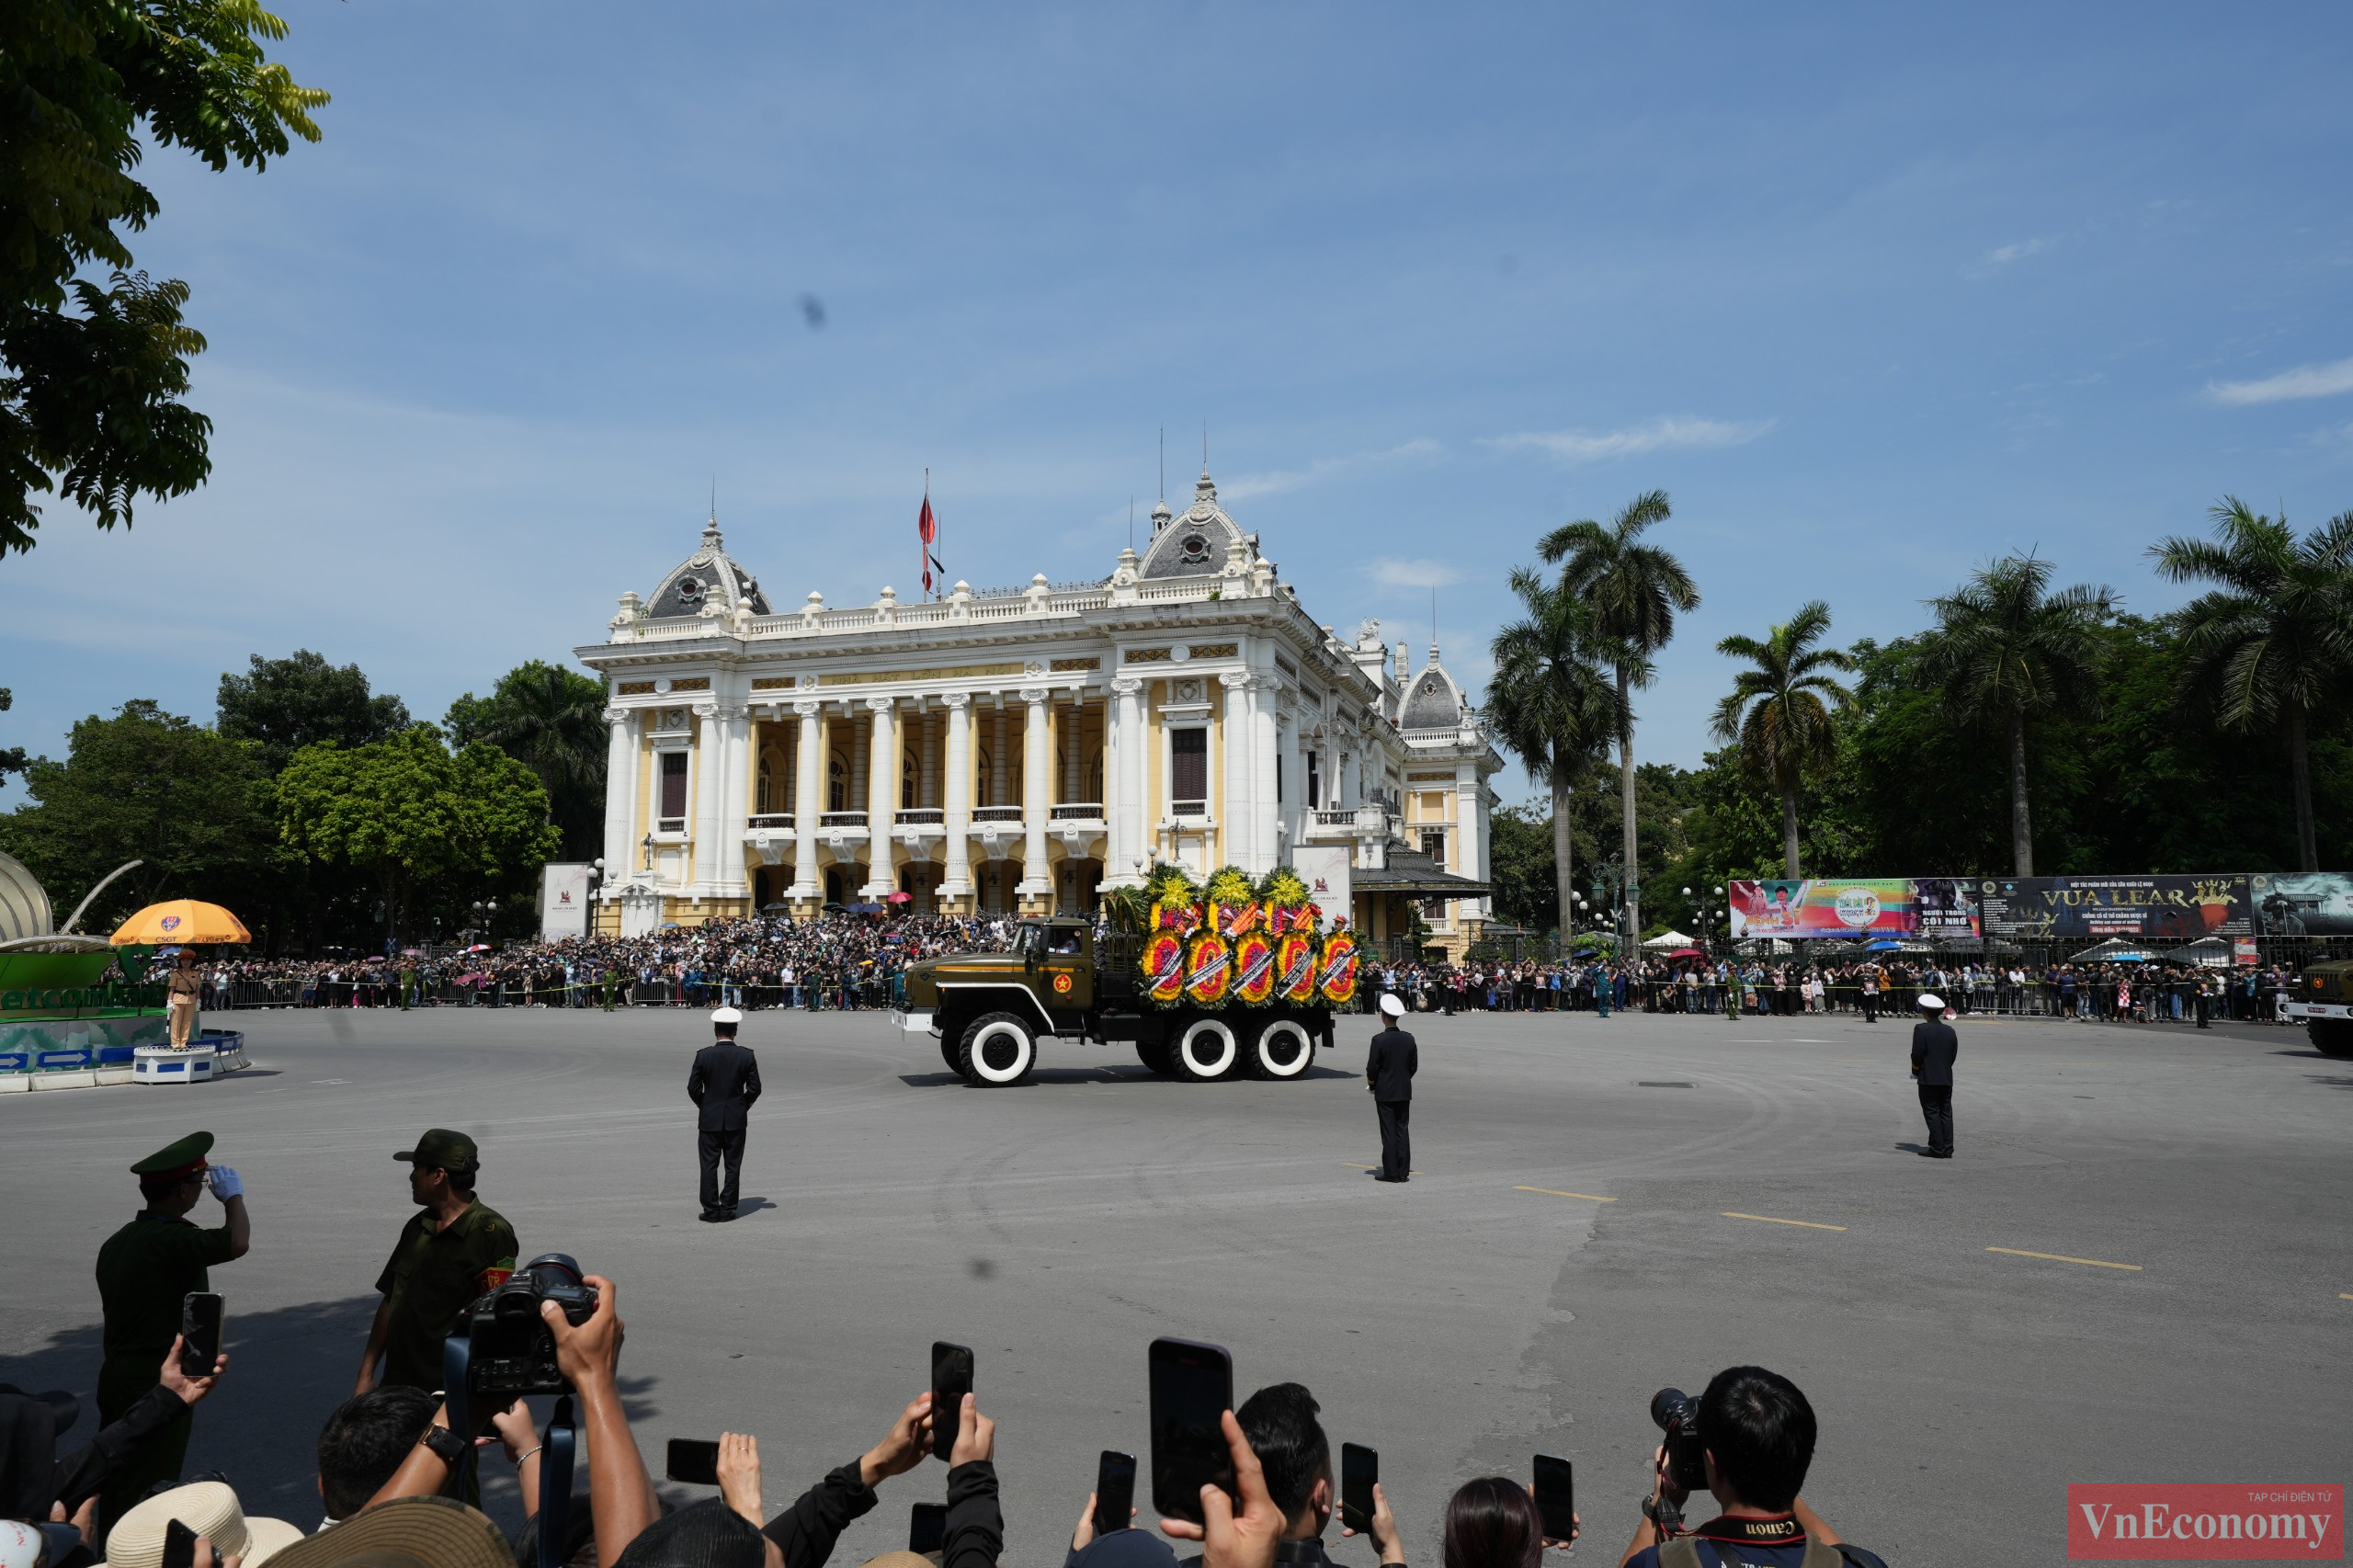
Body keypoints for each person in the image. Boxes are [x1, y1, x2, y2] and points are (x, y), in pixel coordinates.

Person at [92, 1131, 250, 1537]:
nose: (200, 1191)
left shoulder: (119, 1240)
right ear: (181, 1191)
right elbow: (236, 1241)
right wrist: (233, 1197)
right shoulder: (170, 1239)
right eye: (197, 1184)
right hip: (158, 1378)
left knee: (116, 1473)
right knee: (150, 1483)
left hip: (118, 1372)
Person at [1615, 1367, 1879, 1568]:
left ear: (1712, 1463)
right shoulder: (1861, 1564)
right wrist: (1773, 1467)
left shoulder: (1667, 1563)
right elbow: (1837, 1551)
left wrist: (1662, 1503)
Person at [354, 1130, 517, 1394]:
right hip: (398, 1388)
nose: (411, 1176)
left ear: (439, 1175)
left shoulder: (490, 1233)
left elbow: (497, 1318)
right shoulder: (418, 1227)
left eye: (417, 1168)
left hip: (448, 1394)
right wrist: (366, 1374)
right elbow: (390, 1300)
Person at [688, 1006, 763, 1223]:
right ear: (735, 1031)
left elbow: (693, 1088)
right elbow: (755, 1088)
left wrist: (705, 1105)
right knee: (733, 1164)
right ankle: (729, 1207)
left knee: (708, 1165)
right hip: (736, 1118)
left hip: (710, 1118)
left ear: (715, 1030)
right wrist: (743, 1105)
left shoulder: (703, 1055)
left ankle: (711, 1209)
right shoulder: (746, 1055)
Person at [1366, 994, 1417, 1184]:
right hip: (1404, 1091)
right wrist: (1402, 1079)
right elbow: (1413, 1066)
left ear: (1383, 1017)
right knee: (1402, 1130)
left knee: (1388, 1132)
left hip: (1385, 1092)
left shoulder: (1378, 1040)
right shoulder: (1409, 1039)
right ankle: (1403, 1172)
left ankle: (1391, 1172)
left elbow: (1372, 1067)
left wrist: (1373, 1084)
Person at [1908, 993, 1958, 1159]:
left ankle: (1937, 1148)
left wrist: (1916, 1071)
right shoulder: (1950, 1030)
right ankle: (1947, 1148)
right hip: (1945, 1077)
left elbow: (1917, 1054)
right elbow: (1952, 1055)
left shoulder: (1921, 1029)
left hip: (1928, 1077)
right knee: (1946, 1112)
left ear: (1925, 1012)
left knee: (1931, 1112)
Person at [165, 951, 202, 1049]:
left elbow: (197, 987)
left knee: (187, 1023)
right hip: (178, 999)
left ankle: (183, 1042)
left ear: (192, 961)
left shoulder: (195, 973)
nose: (186, 962)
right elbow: (171, 989)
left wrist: (198, 1000)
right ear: (180, 961)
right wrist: (169, 1002)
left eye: (188, 960)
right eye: (183, 960)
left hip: (191, 1000)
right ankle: (175, 1043)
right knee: (176, 1022)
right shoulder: (176, 974)